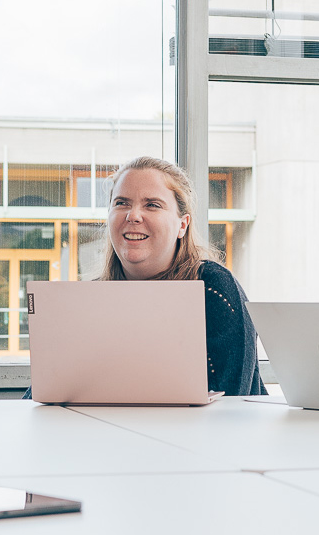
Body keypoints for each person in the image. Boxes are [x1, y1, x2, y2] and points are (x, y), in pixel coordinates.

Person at [96, 157, 264, 397]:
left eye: (152, 205)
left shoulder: (214, 288)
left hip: (204, 433)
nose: (133, 216)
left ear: (182, 225)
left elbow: (233, 403)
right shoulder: (90, 299)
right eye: (121, 203)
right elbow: (43, 392)